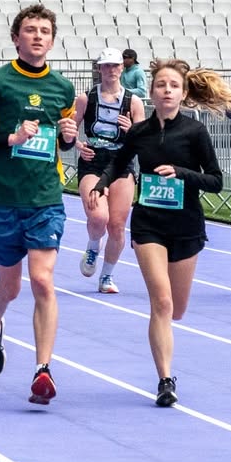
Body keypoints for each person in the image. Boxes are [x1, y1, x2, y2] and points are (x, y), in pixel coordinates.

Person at [86, 59, 231, 407]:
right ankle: (165, 379)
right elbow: (120, 163)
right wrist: (103, 184)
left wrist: (182, 174)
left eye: (173, 86)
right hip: (149, 224)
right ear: (151, 92)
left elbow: (216, 181)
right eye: (161, 85)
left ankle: (166, 363)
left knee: (176, 309)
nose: (167, 90)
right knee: (162, 303)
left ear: (183, 94)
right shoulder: (139, 132)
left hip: (186, 227)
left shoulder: (195, 133)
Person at [0, 4, 78, 406]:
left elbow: (63, 141)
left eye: (44, 31)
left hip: (45, 198)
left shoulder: (63, 88)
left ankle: (43, 370)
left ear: (52, 40)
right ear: (16, 38)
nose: (38, 36)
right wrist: (10, 139)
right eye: (30, 30)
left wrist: (70, 137)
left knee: (43, 280)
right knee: (10, 286)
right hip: (1, 199)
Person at [75, 46, 145, 293]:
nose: (111, 70)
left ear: (121, 68)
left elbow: (143, 139)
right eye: (106, 66)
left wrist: (131, 131)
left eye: (115, 66)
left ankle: (106, 276)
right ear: (100, 69)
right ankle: (94, 245)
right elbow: (68, 132)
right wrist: (78, 145)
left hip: (122, 161)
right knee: (98, 216)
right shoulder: (86, 98)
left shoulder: (133, 101)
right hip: (93, 159)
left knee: (116, 225)